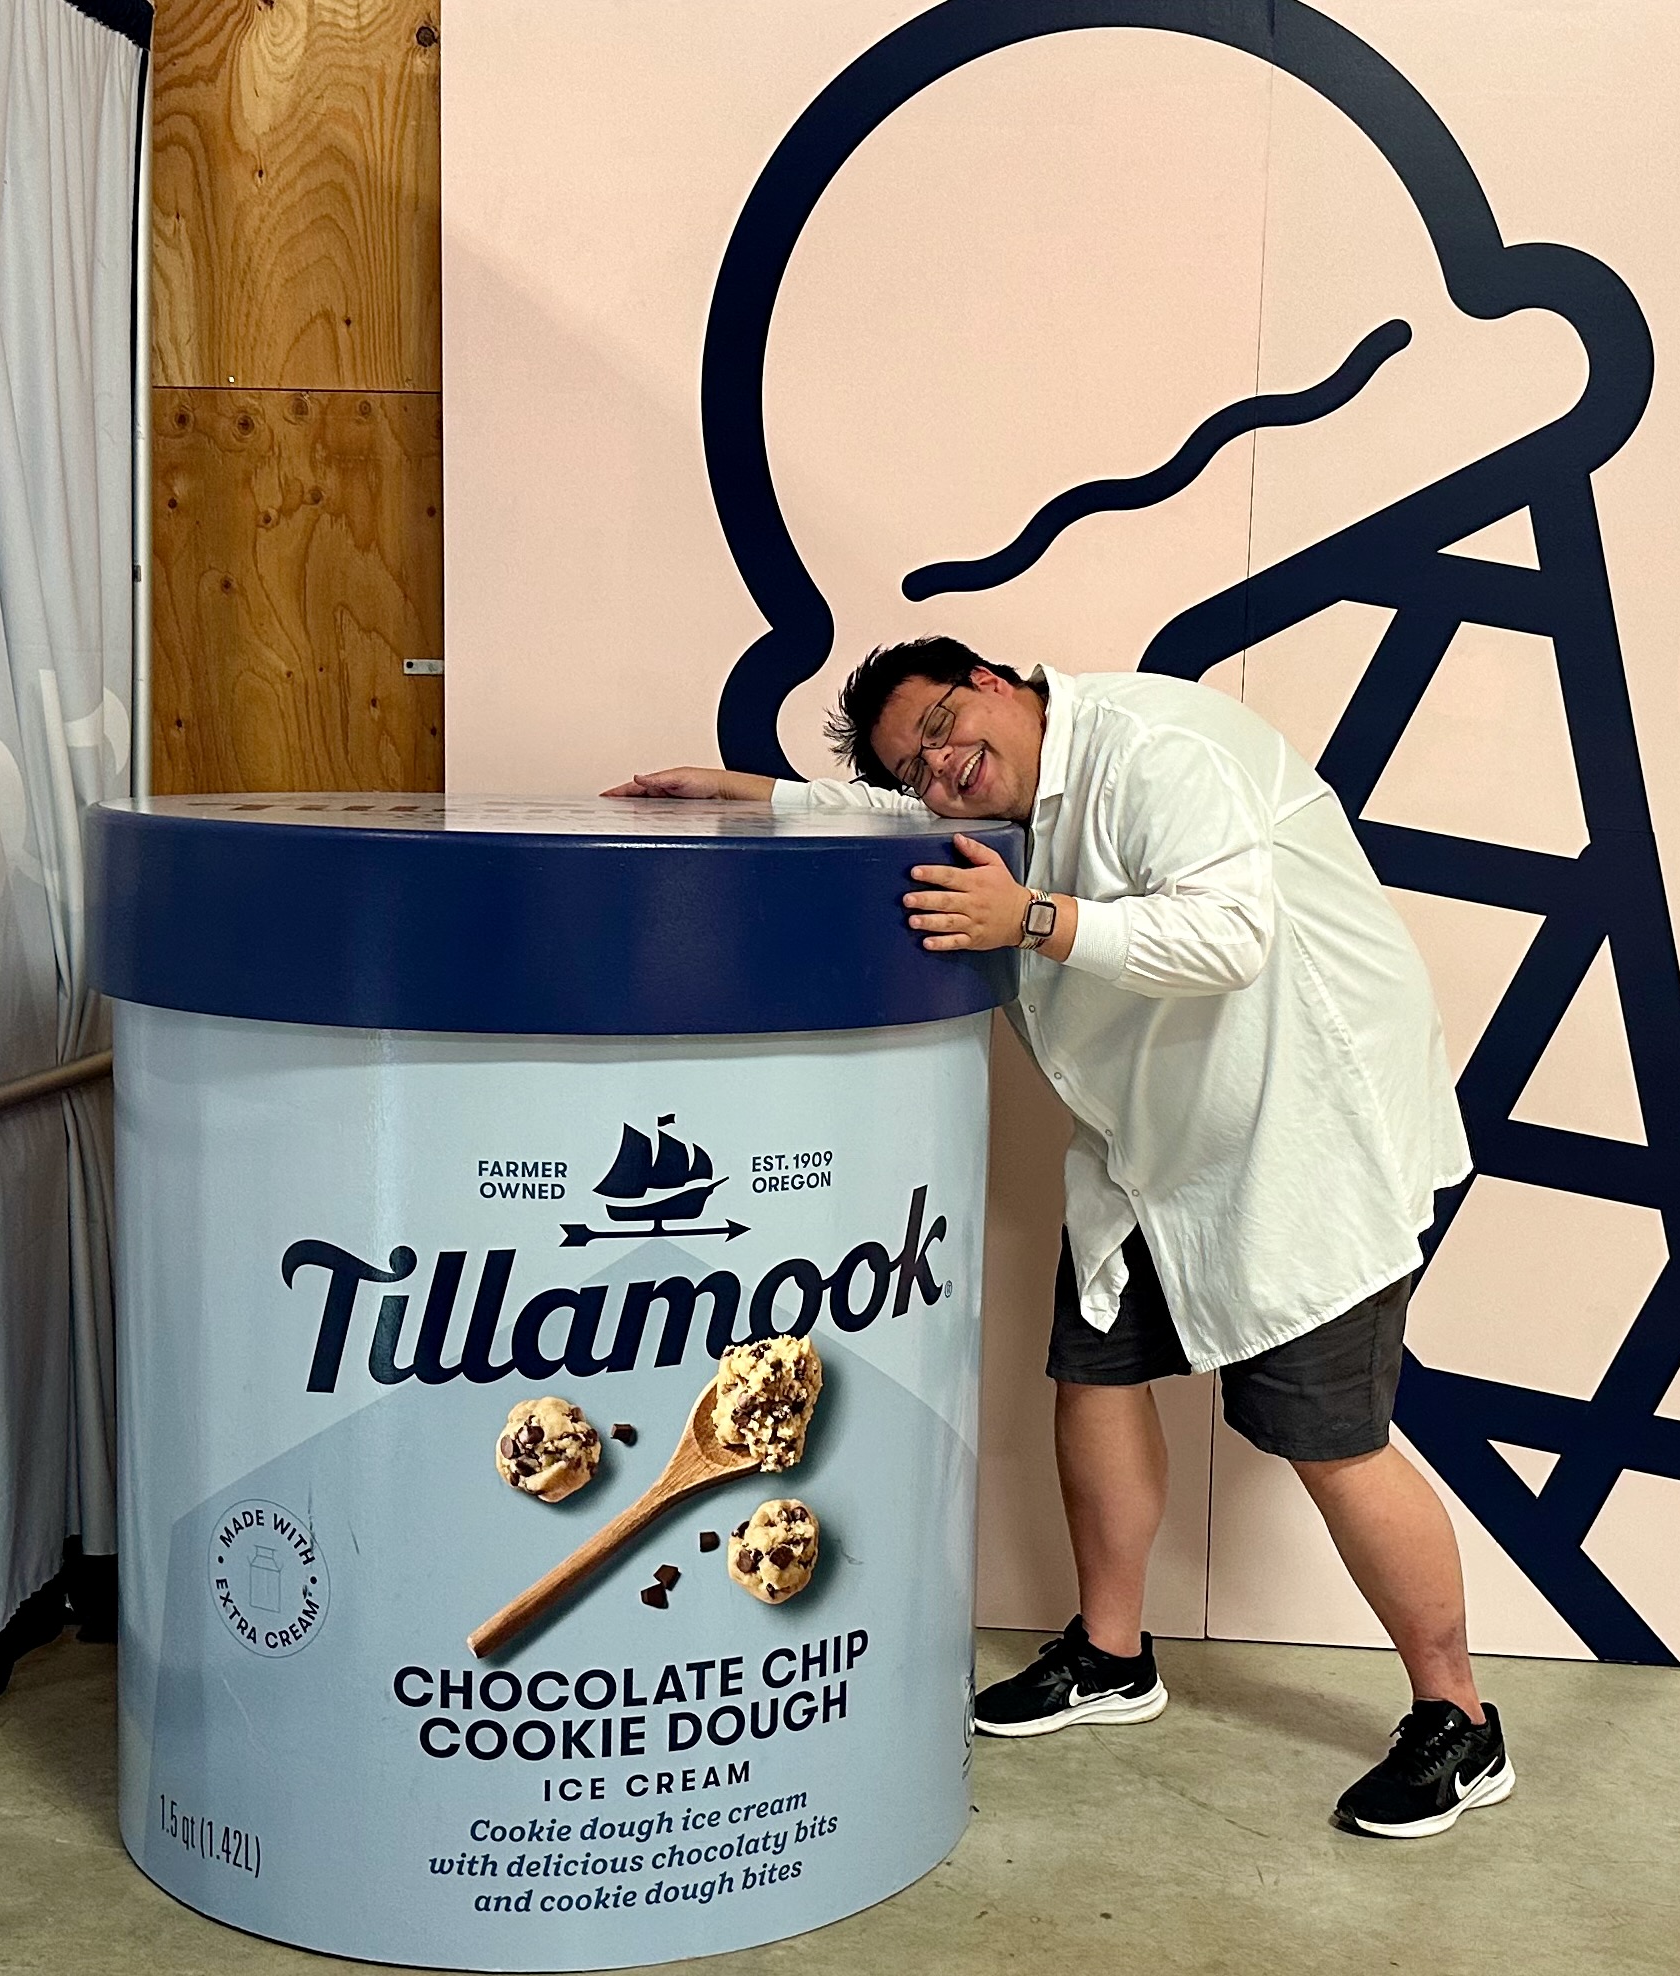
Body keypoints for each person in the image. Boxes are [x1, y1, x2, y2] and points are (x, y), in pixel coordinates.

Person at [609, 636, 1513, 1839]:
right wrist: (754, 796)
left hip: (1299, 1126)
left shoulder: (1155, 748)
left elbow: (1229, 931)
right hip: (1150, 1132)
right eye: (915, 769)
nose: (939, 772)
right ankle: (1109, 1650)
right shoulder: (991, 784)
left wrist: (1029, 916)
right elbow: (882, 805)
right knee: (1092, 1371)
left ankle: (1457, 1719)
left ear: (994, 678)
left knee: (1329, 1433)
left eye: (939, 729)